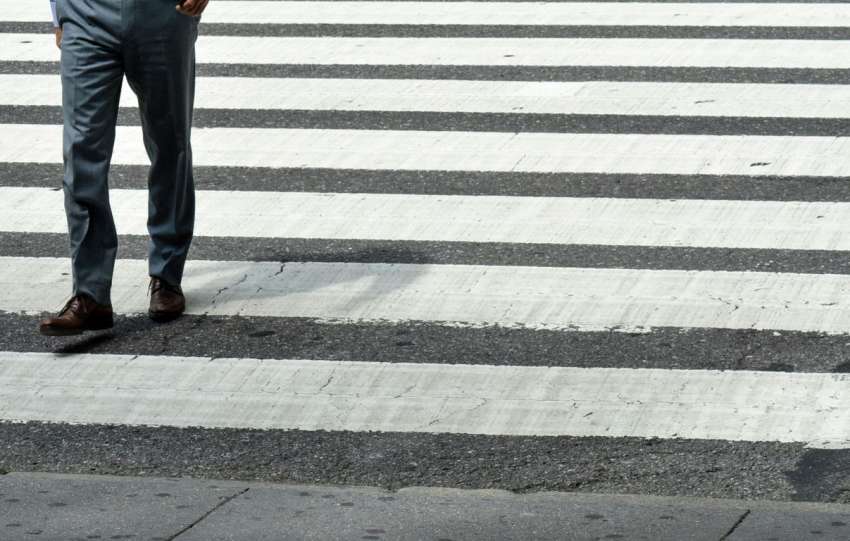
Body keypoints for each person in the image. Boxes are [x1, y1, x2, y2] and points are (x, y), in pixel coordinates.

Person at [39, 0, 210, 336]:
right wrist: (58, 12)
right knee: (80, 150)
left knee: (169, 143)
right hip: (84, 14)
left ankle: (166, 274)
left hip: (162, 12)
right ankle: (90, 293)